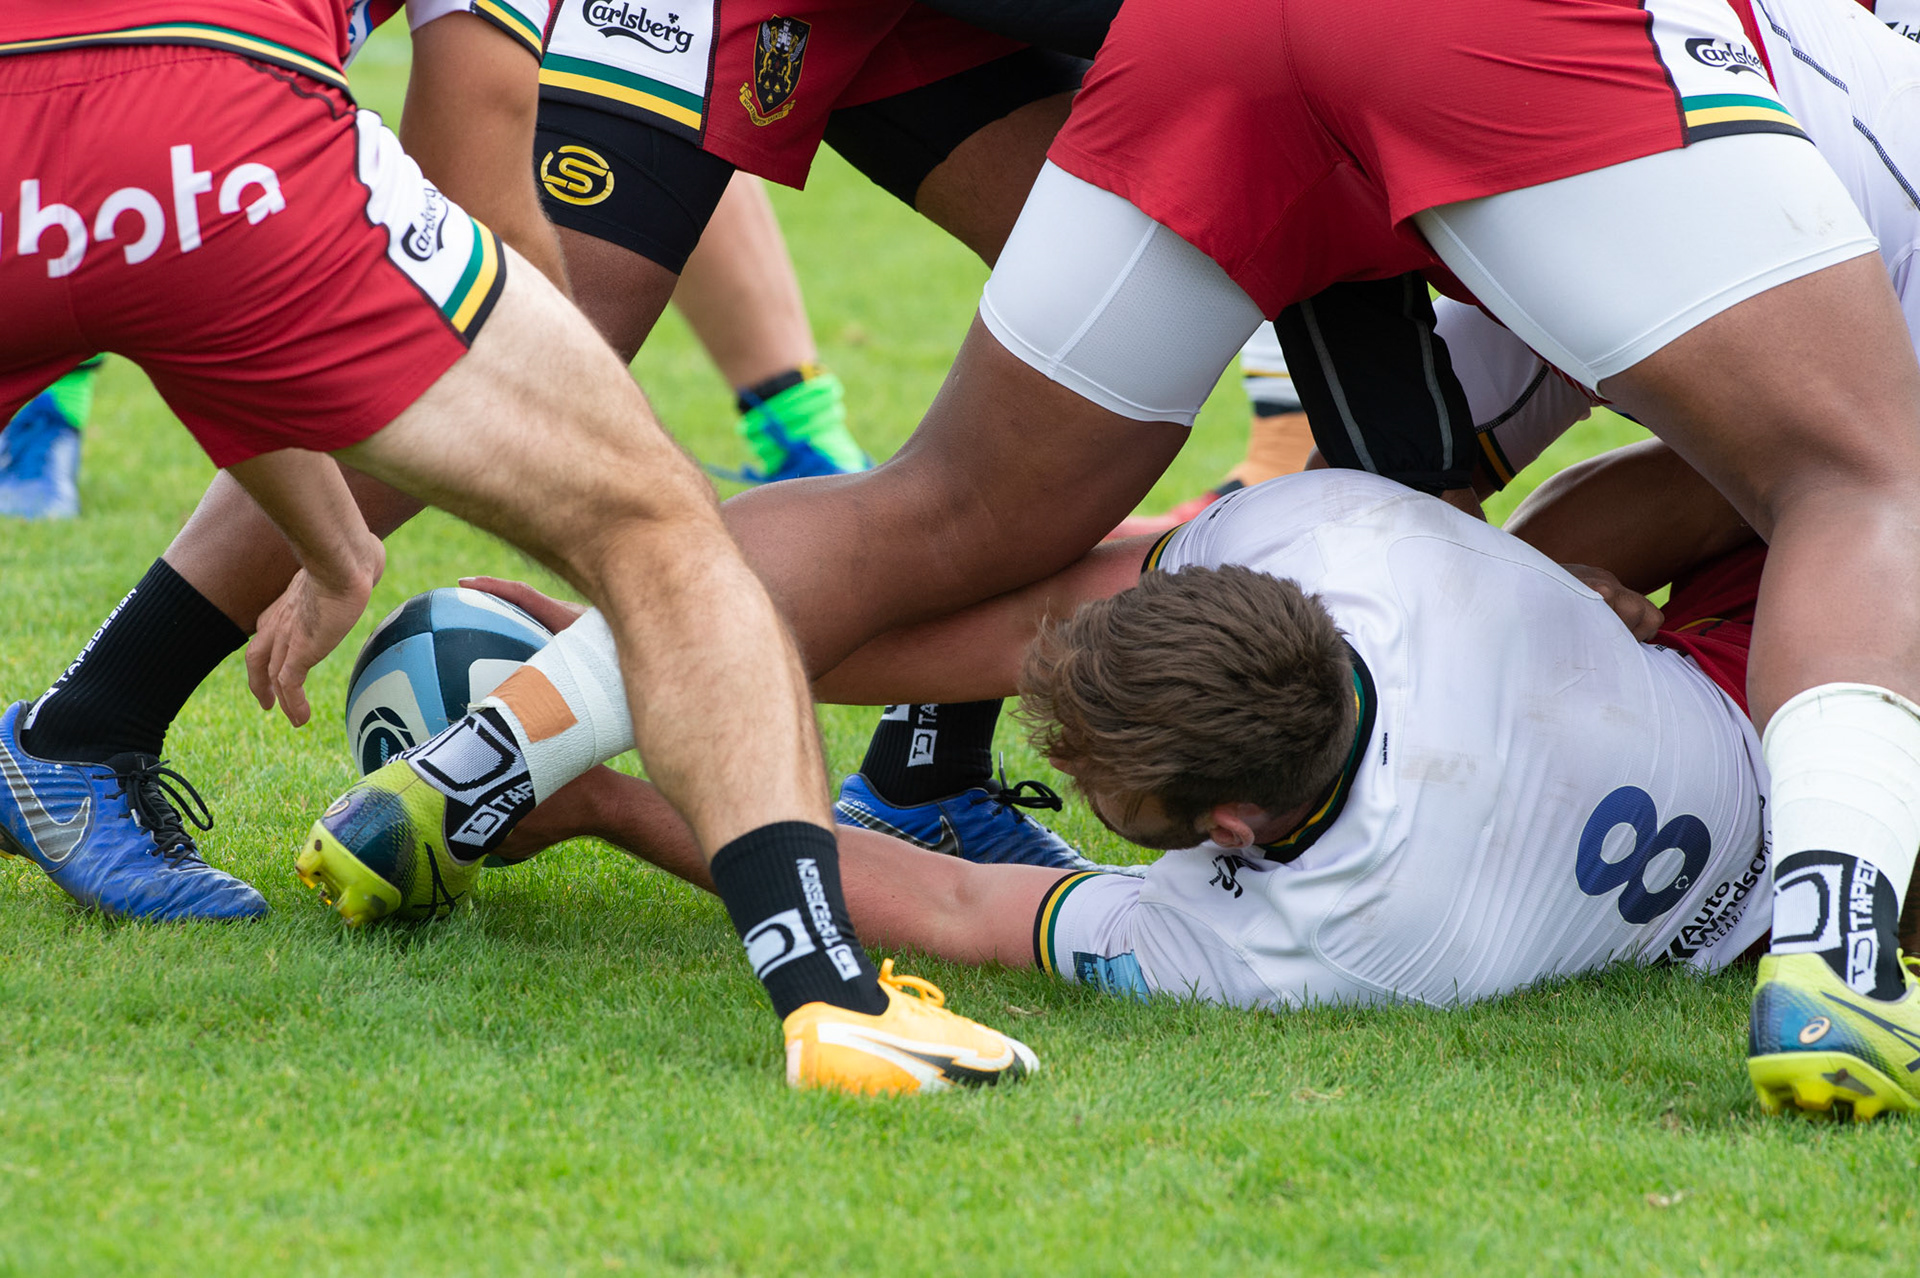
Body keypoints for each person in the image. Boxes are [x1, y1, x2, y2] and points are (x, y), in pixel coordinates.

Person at [0, 0, 1032, 1092]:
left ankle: (82, 733)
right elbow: (477, 169)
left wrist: (335, 544)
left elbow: (201, 330)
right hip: (229, 133)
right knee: (659, 537)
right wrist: (576, 417)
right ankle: (833, 998)